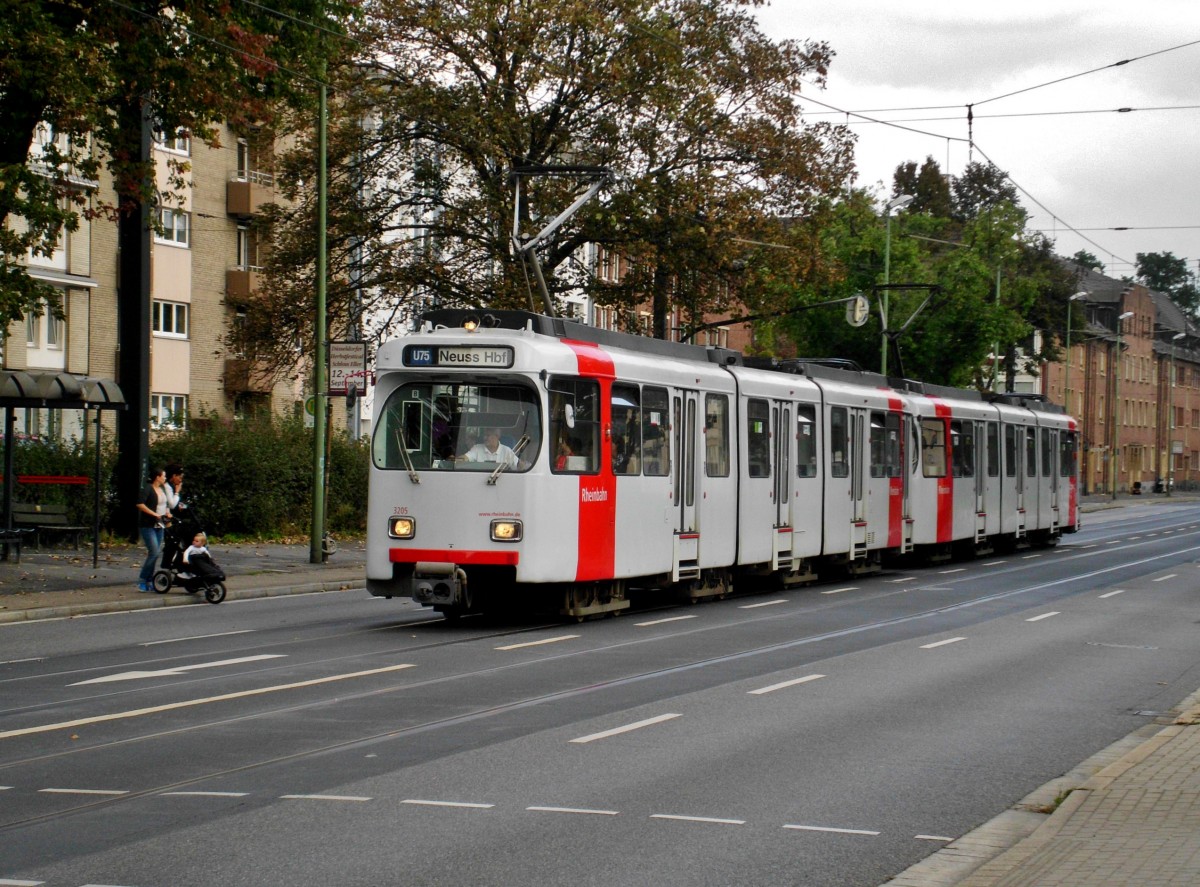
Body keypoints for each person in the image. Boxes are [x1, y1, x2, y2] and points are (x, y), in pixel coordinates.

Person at [135, 468, 171, 592]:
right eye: (164, 476)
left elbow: (164, 505)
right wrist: (154, 514)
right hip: (148, 525)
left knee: (154, 554)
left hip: (159, 526)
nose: (165, 478)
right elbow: (140, 504)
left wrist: (167, 513)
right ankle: (142, 580)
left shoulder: (162, 490)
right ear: (157, 477)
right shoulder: (148, 488)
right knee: (154, 552)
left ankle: (149, 581)